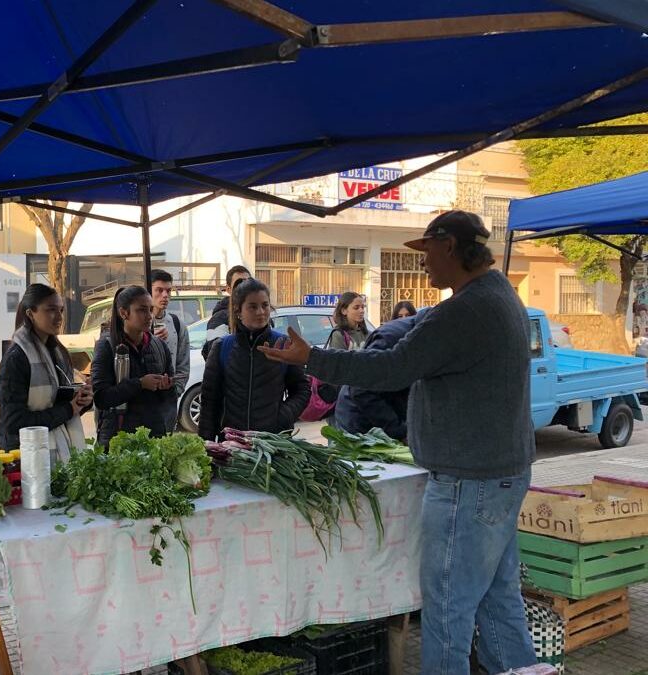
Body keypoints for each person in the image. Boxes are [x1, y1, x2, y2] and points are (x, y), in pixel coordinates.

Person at [259, 210, 537, 674]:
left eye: (426, 251)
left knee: (448, 611)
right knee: (498, 601)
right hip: (500, 474)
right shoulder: (500, 292)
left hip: (470, 484)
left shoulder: (464, 310)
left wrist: (312, 358)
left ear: (448, 246)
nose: (423, 264)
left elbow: (389, 367)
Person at [198, 278, 310, 442]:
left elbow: (302, 390)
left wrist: (284, 416)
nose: (260, 312)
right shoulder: (222, 347)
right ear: (238, 310)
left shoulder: (284, 345)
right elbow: (209, 402)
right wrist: (205, 446)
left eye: (265, 305)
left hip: (273, 445)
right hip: (232, 446)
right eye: (252, 306)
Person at [0, 284, 93, 462]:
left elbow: (58, 401)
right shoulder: (16, 358)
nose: (59, 317)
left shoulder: (57, 352)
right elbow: (14, 421)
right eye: (51, 310)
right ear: (30, 313)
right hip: (25, 456)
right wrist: (68, 409)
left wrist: (82, 401)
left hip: (59, 451)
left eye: (61, 310)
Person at [91, 285, 176, 447]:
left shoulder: (159, 345)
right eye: (142, 310)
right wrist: (140, 383)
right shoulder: (107, 346)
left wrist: (166, 386)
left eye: (150, 310)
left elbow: (170, 396)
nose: (149, 316)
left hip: (154, 435)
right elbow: (101, 398)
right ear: (124, 313)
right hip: (118, 438)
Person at [333, 311, 425, 441]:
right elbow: (361, 390)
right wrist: (399, 431)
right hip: (359, 416)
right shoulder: (392, 338)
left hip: (387, 410)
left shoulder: (427, 336)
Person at [149, 269, 190, 430]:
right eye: (159, 290)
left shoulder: (177, 324)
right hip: (142, 398)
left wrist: (175, 393)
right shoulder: (137, 323)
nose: (165, 295)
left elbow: (183, 363)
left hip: (168, 400)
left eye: (168, 290)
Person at [202, 264, 252, 360]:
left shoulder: (258, 314)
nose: (245, 289)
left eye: (248, 284)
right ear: (229, 289)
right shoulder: (219, 319)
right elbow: (217, 354)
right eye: (239, 285)